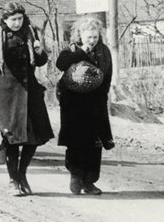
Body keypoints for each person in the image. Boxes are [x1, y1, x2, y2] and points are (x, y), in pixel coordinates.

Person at [0, 2, 53, 196]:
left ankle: (22, 175)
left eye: (20, 19)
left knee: (33, 138)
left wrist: (39, 50)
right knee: (11, 140)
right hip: (6, 95)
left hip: (30, 93)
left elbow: (40, 62)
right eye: (13, 19)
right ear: (5, 20)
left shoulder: (30, 33)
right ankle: (13, 180)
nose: (17, 23)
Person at [56, 16, 114, 195]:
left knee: (95, 144)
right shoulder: (71, 49)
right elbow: (61, 64)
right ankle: (75, 175)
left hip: (95, 103)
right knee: (76, 142)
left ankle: (89, 181)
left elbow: (108, 73)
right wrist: (82, 51)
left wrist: (102, 93)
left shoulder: (104, 51)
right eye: (89, 37)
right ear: (80, 35)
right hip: (74, 105)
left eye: (95, 37)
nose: (92, 40)